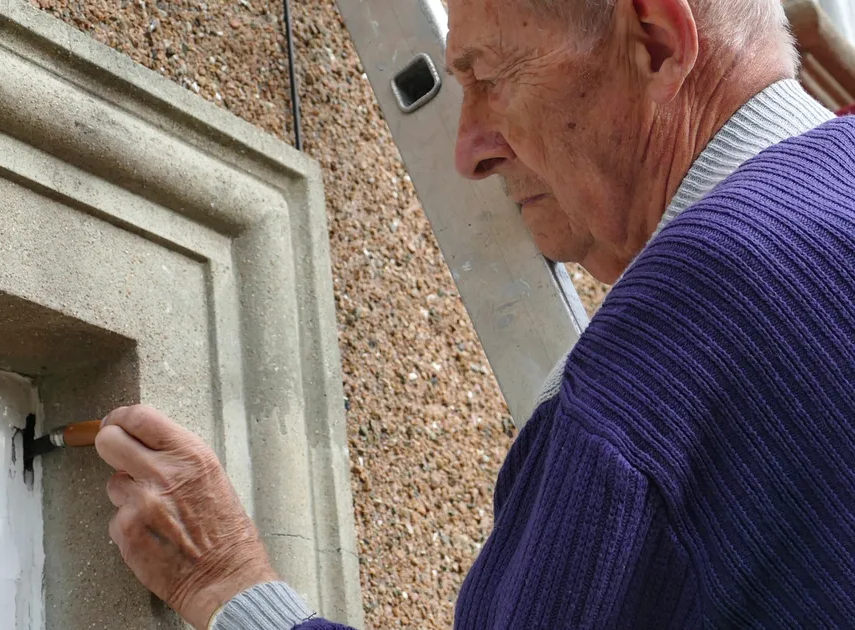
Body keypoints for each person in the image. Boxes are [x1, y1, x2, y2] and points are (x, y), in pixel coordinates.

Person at [93, 0, 855, 627]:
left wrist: (228, 590)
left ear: (655, 43)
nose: (467, 151)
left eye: (488, 77)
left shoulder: (675, 335)